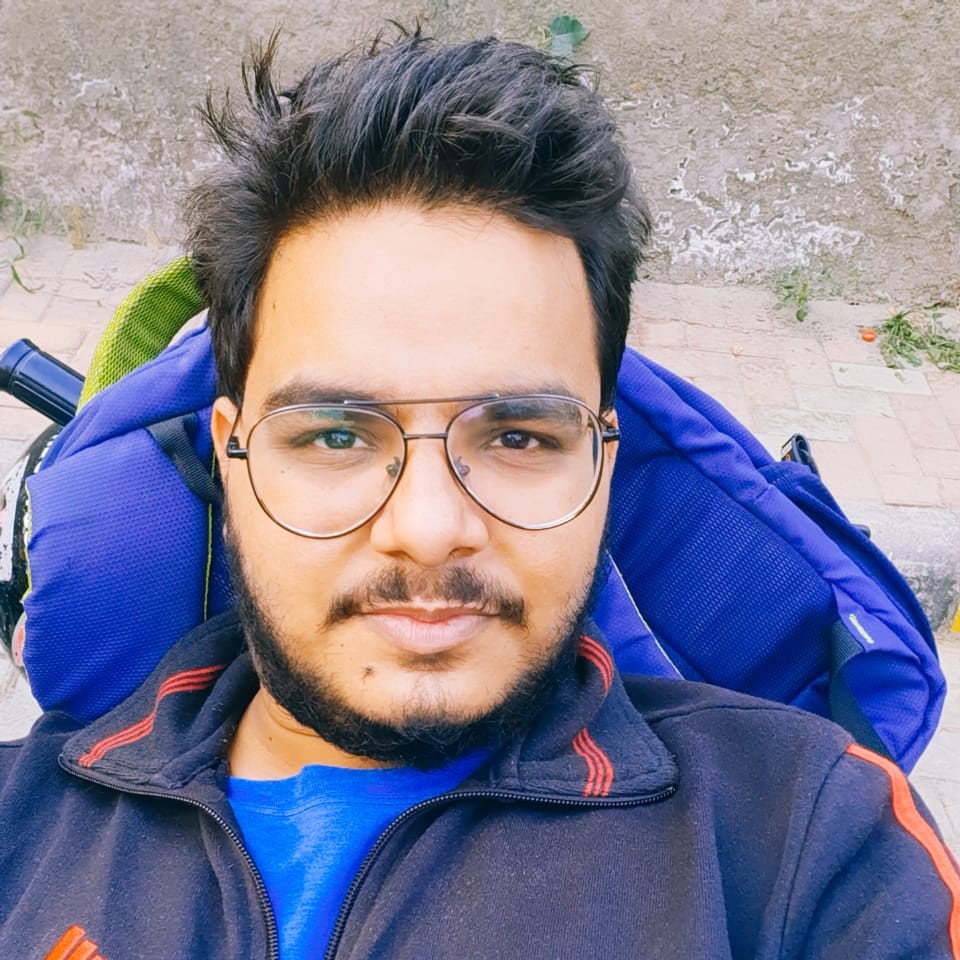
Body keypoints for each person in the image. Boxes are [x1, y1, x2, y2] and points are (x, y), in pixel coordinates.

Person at [1, 28, 958, 960]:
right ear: (231, 457)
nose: (427, 529)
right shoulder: (20, 828)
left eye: (517, 436)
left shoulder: (807, 840)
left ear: (604, 462)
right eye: (335, 435)